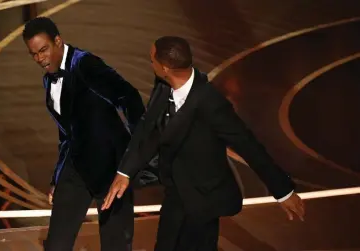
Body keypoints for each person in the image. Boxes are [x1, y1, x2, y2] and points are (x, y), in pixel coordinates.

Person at [102, 36, 305, 251]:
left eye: (152, 60)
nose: (150, 63)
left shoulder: (211, 103)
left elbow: (248, 144)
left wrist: (283, 190)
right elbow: (150, 128)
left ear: (164, 68)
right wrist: (125, 172)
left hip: (204, 199)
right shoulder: (163, 86)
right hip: (176, 194)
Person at [22, 17, 145, 251]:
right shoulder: (50, 79)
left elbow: (129, 97)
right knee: (56, 245)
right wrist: (57, 178)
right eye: (34, 54)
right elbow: (66, 133)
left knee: (116, 245)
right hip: (76, 166)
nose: (39, 58)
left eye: (43, 50)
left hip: (111, 170)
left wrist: (131, 163)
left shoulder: (85, 64)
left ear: (58, 41)